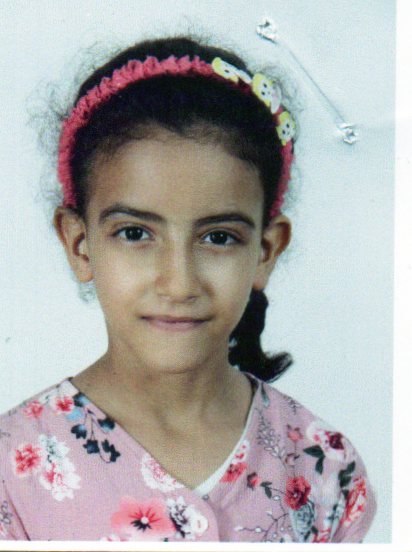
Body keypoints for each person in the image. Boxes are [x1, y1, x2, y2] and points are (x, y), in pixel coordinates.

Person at [0, 35, 376, 543]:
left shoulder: (326, 468)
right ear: (80, 245)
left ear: (266, 251)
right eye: (135, 233)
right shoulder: (11, 474)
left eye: (218, 238)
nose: (179, 283)